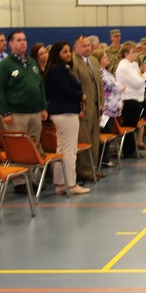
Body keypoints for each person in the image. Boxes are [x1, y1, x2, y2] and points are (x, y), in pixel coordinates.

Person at [44, 41, 90, 196]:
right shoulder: (57, 69)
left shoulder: (63, 68)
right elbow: (66, 90)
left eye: (69, 51)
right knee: (69, 150)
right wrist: (81, 96)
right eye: (64, 52)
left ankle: (59, 183)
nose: (68, 54)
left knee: (62, 149)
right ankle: (71, 184)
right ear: (57, 54)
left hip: (62, 112)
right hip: (65, 112)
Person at [0, 29, 48, 142]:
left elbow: (40, 85)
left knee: (34, 148)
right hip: (16, 115)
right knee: (19, 148)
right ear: (11, 44)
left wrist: (44, 107)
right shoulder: (4, 65)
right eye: (19, 40)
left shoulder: (32, 62)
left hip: (36, 113)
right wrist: (5, 112)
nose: (23, 42)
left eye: (24, 40)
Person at [72, 35, 103, 183]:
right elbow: (74, 87)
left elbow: (99, 84)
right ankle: (84, 171)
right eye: (83, 46)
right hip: (84, 109)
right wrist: (79, 106)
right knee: (85, 141)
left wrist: (101, 102)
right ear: (75, 48)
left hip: (96, 107)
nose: (87, 48)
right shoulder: (74, 62)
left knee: (95, 140)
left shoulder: (94, 61)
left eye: (89, 45)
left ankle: (93, 168)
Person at [114, 41, 146, 158]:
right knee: (130, 126)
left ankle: (131, 149)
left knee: (133, 126)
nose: (135, 54)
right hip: (129, 99)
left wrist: (142, 74)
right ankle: (129, 151)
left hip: (136, 98)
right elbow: (138, 82)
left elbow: (139, 78)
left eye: (135, 52)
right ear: (125, 54)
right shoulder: (124, 67)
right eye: (133, 52)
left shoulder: (132, 65)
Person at [93, 47, 123, 168]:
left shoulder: (105, 71)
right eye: (105, 57)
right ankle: (103, 159)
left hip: (111, 108)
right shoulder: (100, 73)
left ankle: (105, 158)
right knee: (105, 133)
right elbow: (115, 87)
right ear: (99, 59)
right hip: (105, 109)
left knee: (108, 133)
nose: (107, 58)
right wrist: (122, 86)